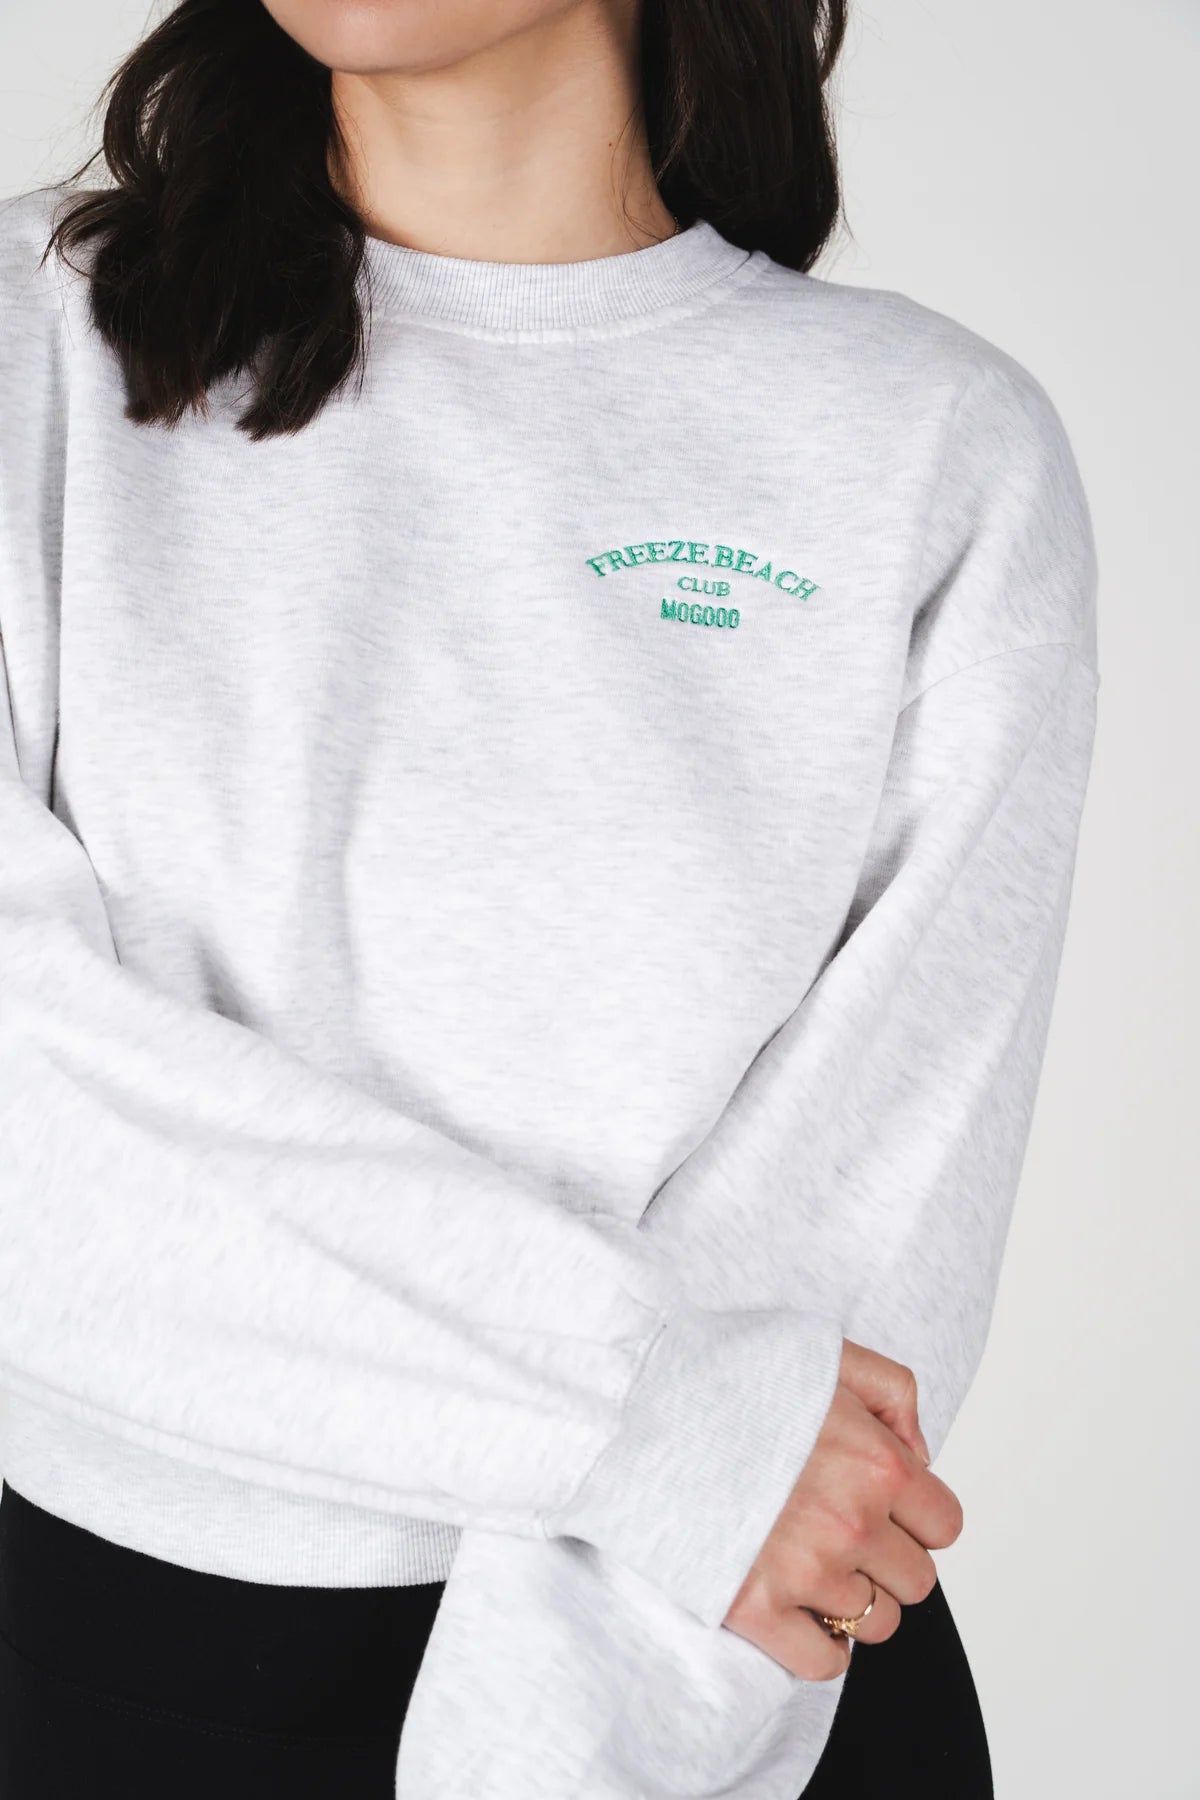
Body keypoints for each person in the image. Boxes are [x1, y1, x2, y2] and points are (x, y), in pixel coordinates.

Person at [0, 1, 1099, 1796]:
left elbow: (866, 1206)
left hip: (699, 1687)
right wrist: (654, 1418)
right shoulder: (34, 344)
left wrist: (576, 1722)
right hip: (131, 1666)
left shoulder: (933, 449)